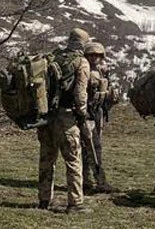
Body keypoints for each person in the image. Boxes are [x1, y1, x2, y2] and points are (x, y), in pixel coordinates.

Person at [36, 28, 91, 213]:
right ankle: (75, 203)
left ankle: (44, 200)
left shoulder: (53, 57)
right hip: (66, 117)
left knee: (46, 159)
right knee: (73, 160)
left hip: (46, 117)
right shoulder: (81, 62)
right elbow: (80, 94)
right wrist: (82, 114)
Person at [82, 41, 116, 194]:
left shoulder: (102, 72)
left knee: (92, 147)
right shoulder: (84, 71)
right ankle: (96, 180)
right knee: (92, 148)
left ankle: (88, 179)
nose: (94, 58)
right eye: (91, 55)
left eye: (97, 55)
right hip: (87, 113)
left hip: (97, 113)